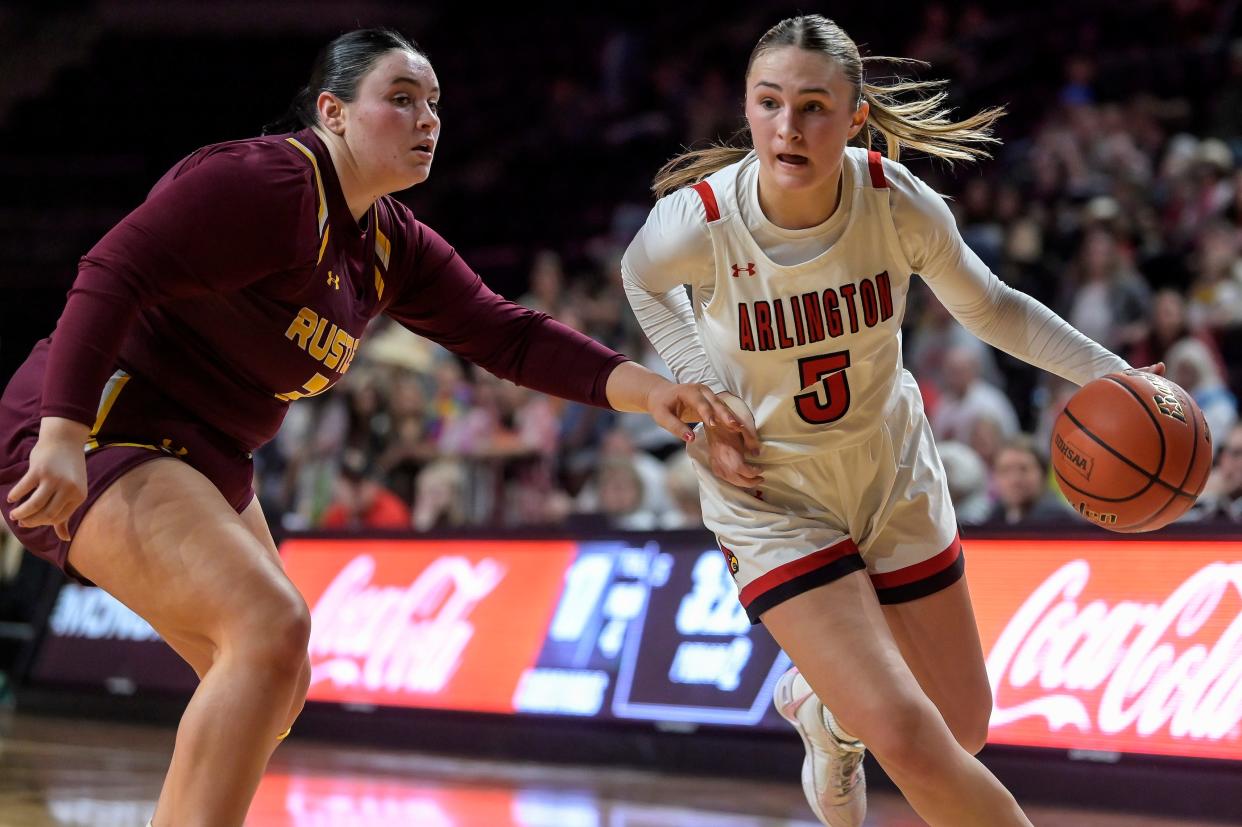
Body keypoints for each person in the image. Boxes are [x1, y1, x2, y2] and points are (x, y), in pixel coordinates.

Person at [0, 28, 754, 827]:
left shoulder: (389, 242)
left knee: (278, 672)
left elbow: (507, 333)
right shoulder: (268, 182)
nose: (427, 119)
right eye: (400, 100)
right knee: (267, 627)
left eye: (433, 104)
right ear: (333, 112)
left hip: (206, 453)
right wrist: (61, 429)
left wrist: (654, 392)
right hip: (106, 422)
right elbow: (112, 270)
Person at [622, 14, 1161, 827]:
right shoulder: (702, 219)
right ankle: (857, 714)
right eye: (768, 103)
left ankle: (826, 711)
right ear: (746, 106)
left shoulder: (895, 202)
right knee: (909, 734)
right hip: (772, 489)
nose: (787, 127)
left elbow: (996, 309)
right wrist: (699, 386)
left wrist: (1115, 377)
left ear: (854, 118)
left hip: (889, 463)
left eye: (812, 107)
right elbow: (640, 278)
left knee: (962, 727)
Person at [985, 434, 1071, 526]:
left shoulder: (1059, 520)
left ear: (1043, 475)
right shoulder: (992, 517)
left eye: (1024, 469)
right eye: (1005, 470)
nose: (1015, 480)